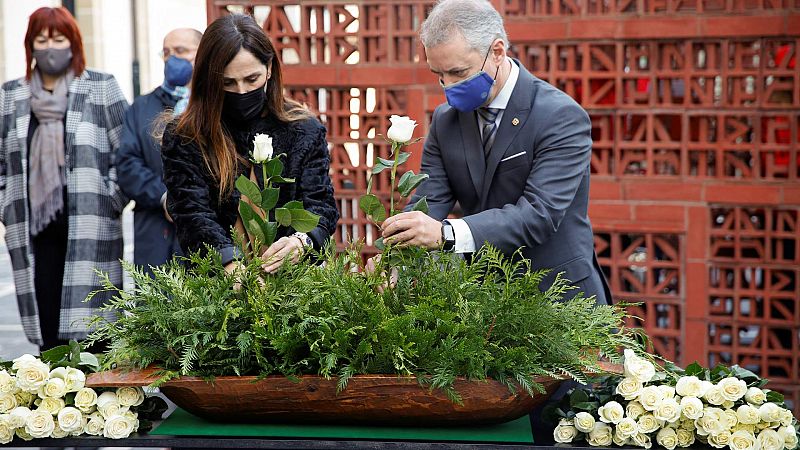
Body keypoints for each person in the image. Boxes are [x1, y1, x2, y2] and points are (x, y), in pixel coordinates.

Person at [379, 0, 612, 305]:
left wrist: (446, 234)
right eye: (439, 75)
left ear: (497, 52)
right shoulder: (445, 120)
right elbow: (429, 201)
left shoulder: (560, 115)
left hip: (559, 298)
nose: (448, 87)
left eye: (458, 73)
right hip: (485, 301)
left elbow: (539, 215)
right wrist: (397, 261)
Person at [161, 14, 339, 274]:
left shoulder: (303, 129)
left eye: (251, 79)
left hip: (294, 284)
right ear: (210, 80)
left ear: (269, 69)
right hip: (215, 284)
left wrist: (301, 242)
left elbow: (320, 205)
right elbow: (192, 212)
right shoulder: (186, 135)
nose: (242, 92)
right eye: (228, 83)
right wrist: (229, 264)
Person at [0, 7, 128, 350]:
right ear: (30, 45)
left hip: (92, 225)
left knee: (95, 328)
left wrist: (111, 198)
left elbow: (125, 152)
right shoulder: (11, 94)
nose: (50, 47)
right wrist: (6, 205)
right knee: (48, 325)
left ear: (73, 42)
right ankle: (56, 396)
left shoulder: (101, 86)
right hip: (34, 231)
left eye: (58, 39)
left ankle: (100, 400)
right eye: (41, 40)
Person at [117, 28, 203, 276]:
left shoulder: (214, 104)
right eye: (166, 52)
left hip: (203, 231)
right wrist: (164, 197)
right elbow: (127, 165)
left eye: (181, 51)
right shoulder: (142, 107)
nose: (172, 58)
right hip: (155, 231)